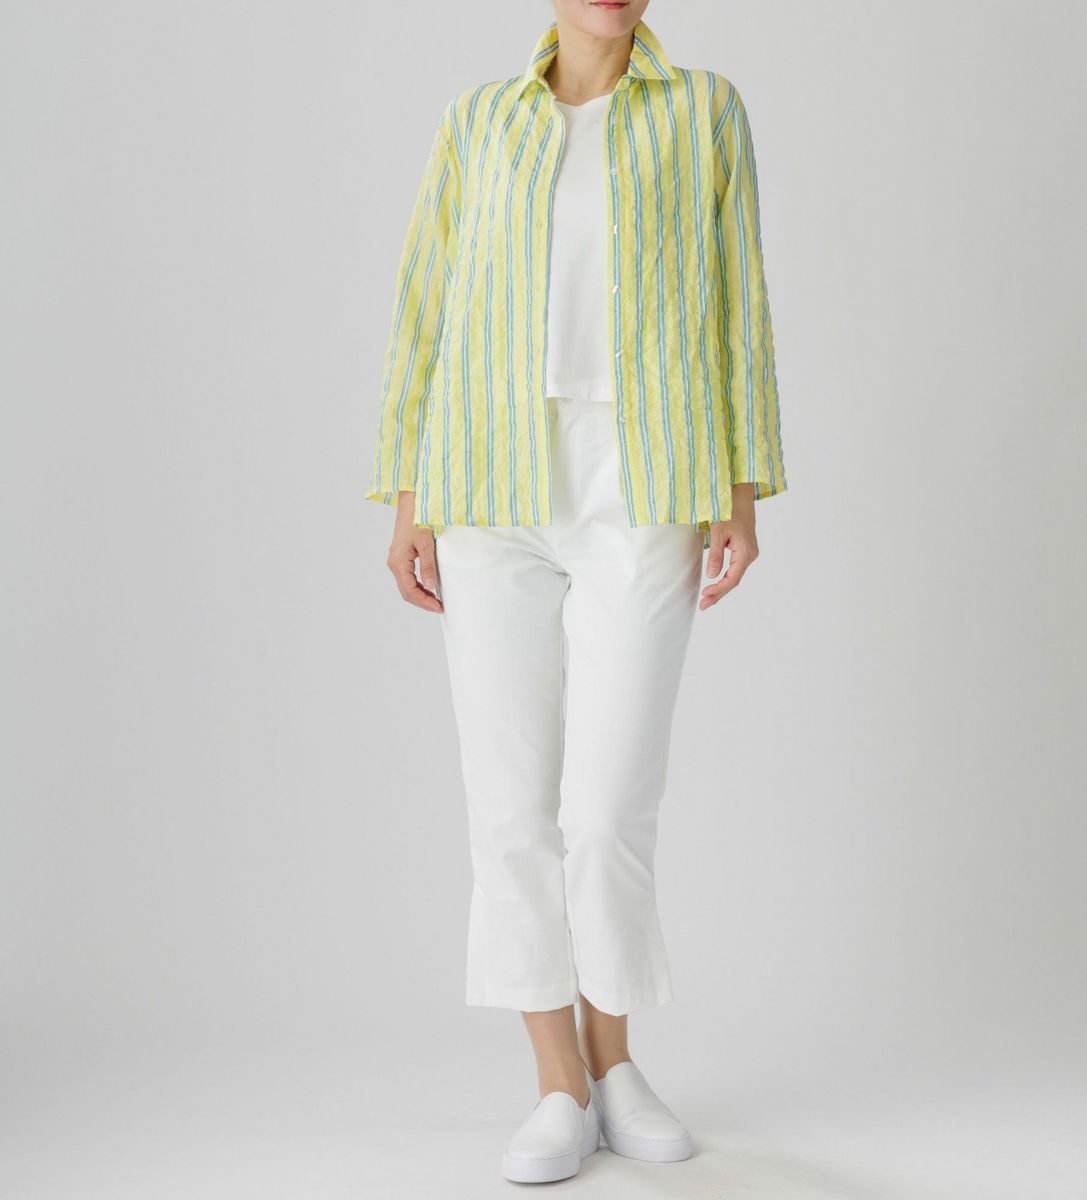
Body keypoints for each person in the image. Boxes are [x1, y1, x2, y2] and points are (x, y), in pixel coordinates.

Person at [365, 0, 785, 1183]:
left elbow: (737, 301)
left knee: (606, 811)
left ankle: (616, 1063)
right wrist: (408, 494)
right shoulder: (478, 123)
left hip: (645, 481)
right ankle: (558, 1082)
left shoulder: (704, 112)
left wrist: (741, 486)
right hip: (487, 484)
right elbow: (424, 309)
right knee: (509, 810)